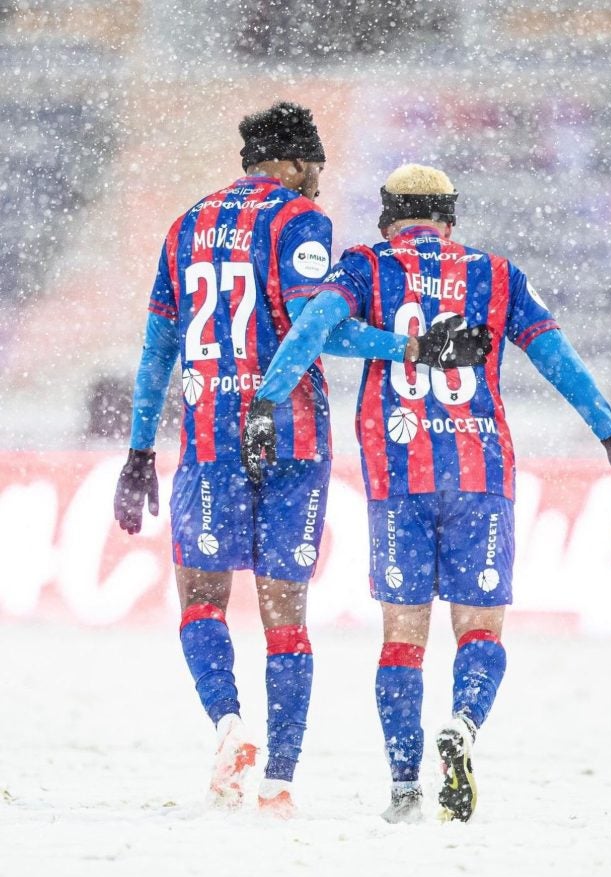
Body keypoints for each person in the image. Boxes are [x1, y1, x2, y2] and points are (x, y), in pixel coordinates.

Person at [242, 163, 611, 824]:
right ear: (449, 218)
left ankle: (404, 787)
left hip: (396, 475)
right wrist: (609, 432)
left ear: (388, 217)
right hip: (479, 474)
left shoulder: (363, 268)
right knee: (480, 630)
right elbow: (556, 358)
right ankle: (461, 724)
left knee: (401, 640)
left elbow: (312, 330)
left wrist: (265, 400)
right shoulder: (495, 275)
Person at [113, 108, 490, 817]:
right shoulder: (299, 222)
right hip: (292, 435)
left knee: (201, 603)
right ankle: (281, 779)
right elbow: (322, 328)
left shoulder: (184, 226)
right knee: (286, 616)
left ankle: (227, 727)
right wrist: (413, 347)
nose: (318, 182)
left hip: (205, 435)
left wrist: (138, 449)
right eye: (314, 166)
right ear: (289, 163)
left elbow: (155, 350)